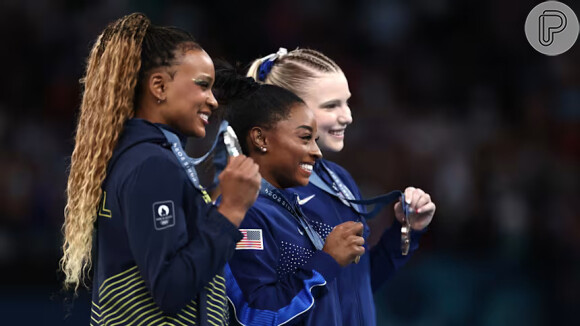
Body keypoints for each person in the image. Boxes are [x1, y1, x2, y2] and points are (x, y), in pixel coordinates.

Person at [59, 13, 261, 326]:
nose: (211, 100)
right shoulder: (152, 165)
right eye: (203, 86)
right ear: (159, 87)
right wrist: (231, 211)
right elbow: (170, 288)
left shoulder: (134, 157)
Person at [246, 48, 436, 325]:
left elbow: (355, 286)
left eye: (347, 103)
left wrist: (406, 230)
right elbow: (255, 315)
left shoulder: (338, 179)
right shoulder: (252, 194)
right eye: (331, 105)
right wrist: (327, 262)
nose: (347, 116)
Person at [213, 67, 366, 325]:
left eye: (316, 140)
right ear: (261, 138)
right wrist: (327, 261)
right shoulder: (244, 214)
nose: (317, 151)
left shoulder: (289, 207)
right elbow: (257, 316)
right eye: (305, 138)